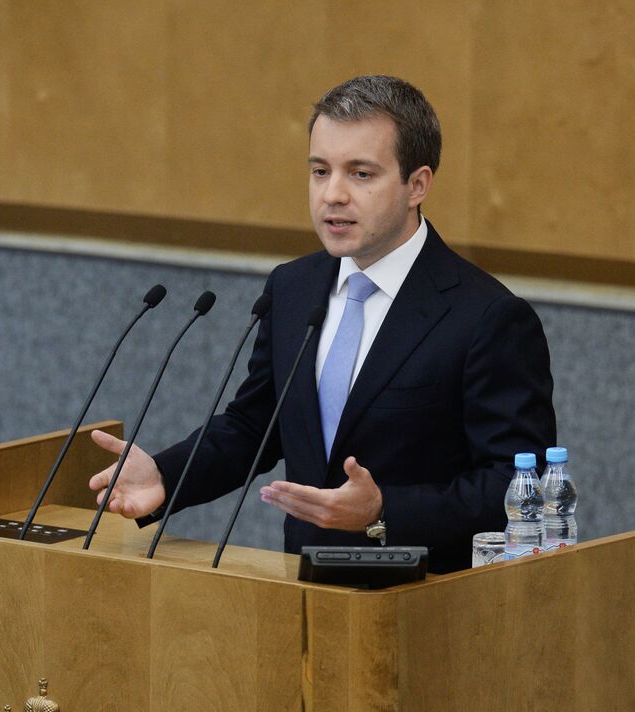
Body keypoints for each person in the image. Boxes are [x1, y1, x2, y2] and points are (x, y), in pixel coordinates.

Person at [90, 75, 555, 573]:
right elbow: (255, 426)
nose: (332, 195)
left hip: (427, 604)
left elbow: (519, 485)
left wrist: (383, 512)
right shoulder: (293, 289)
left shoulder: (486, 317)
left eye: (360, 174)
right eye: (319, 171)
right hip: (305, 588)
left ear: (417, 184)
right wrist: (166, 475)